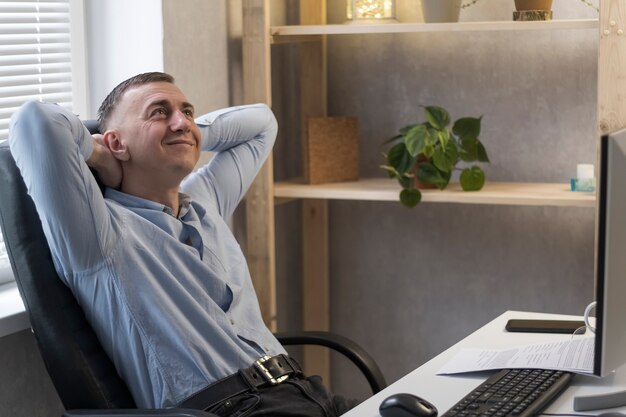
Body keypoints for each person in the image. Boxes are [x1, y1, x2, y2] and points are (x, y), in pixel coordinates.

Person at [9, 72, 358, 416]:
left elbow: (262, 123)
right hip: (229, 411)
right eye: (159, 112)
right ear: (116, 143)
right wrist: (101, 154)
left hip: (306, 393)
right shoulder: (98, 235)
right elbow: (34, 121)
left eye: (187, 111)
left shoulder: (205, 201)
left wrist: (188, 133)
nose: (180, 120)